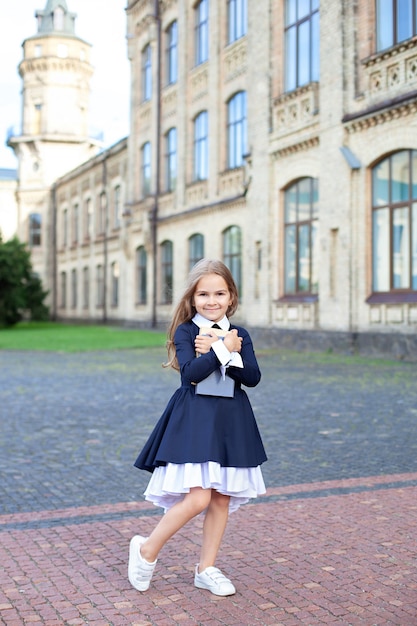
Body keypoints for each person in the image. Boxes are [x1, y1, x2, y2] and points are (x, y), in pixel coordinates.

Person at [129, 258, 267, 596]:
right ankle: (147, 549)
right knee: (199, 497)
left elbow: (252, 377)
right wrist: (222, 350)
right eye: (203, 294)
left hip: (231, 420)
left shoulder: (240, 335)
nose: (212, 301)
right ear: (192, 299)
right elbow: (191, 373)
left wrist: (227, 351)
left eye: (220, 293)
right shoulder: (187, 331)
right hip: (196, 418)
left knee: (220, 498)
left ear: (231, 297)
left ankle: (206, 568)